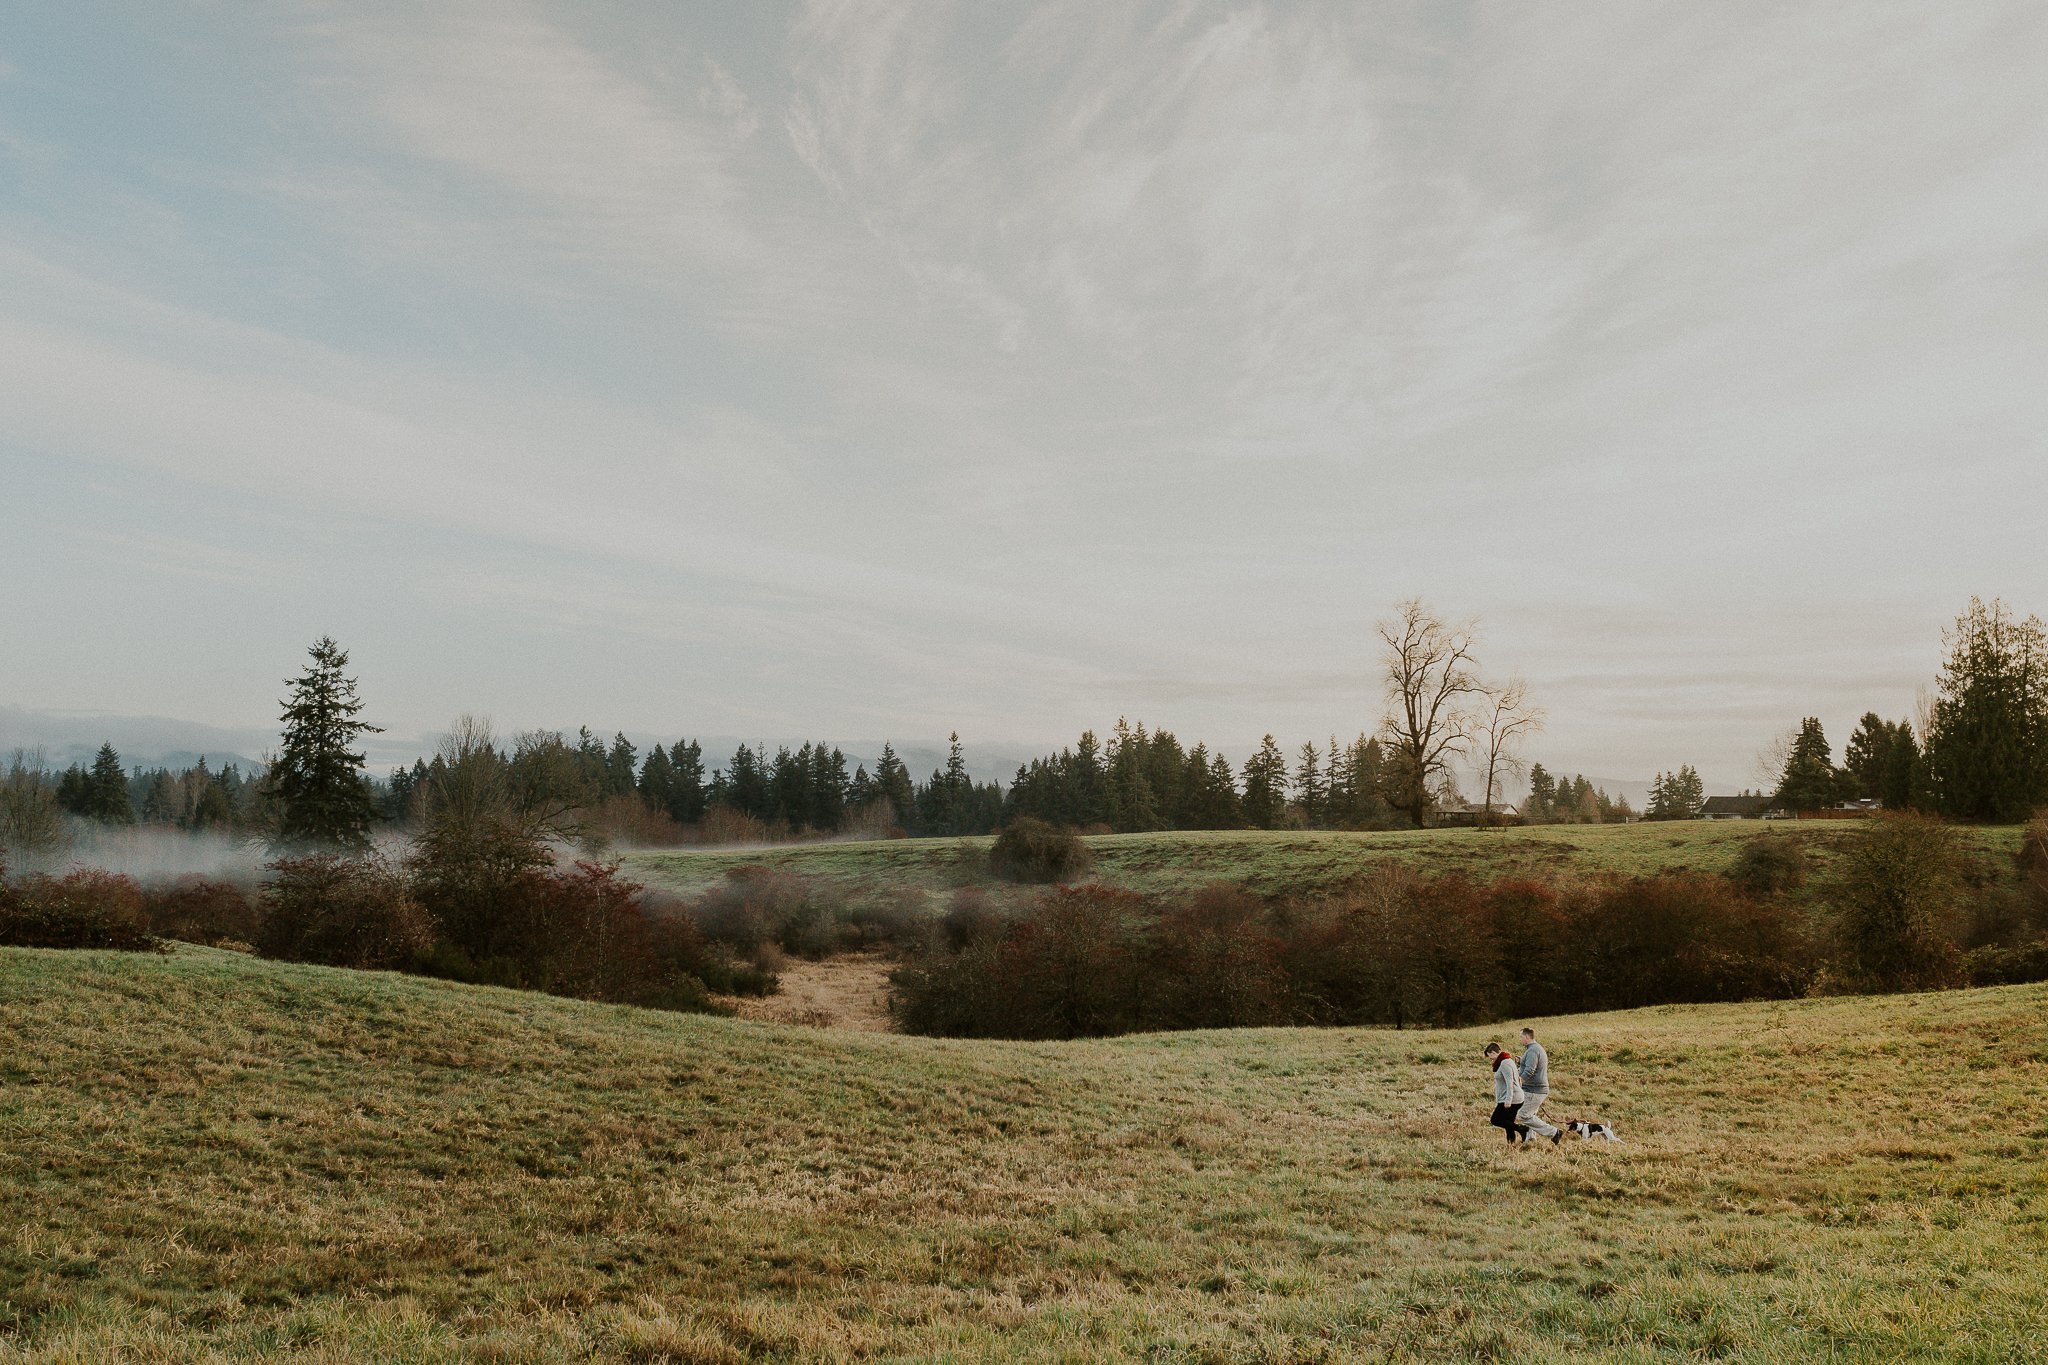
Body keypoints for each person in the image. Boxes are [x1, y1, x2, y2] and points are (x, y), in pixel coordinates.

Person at [1517, 1026, 1561, 1145]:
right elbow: (1531, 1065)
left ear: (1527, 1037)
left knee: (1523, 1115)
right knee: (1531, 1115)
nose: (1520, 1039)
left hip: (1534, 1089)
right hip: (1536, 1089)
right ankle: (1531, 1139)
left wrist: (1519, 1080)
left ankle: (1553, 1132)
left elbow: (1530, 1070)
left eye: (1521, 1037)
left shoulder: (1532, 1050)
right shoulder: (1534, 1049)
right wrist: (1521, 1062)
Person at [1484, 1041, 1526, 1143]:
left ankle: (1522, 1129)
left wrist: (1508, 1100)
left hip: (1511, 1098)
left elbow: (1510, 1082)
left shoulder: (1505, 1063)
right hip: (1514, 1097)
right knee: (1508, 1123)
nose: (1491, 1060)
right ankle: (1511, 1144)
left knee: (1495, 1120)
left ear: (1494, 1052)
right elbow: (1518, 1079)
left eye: (1491, 1057)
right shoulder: (1507, 1061)